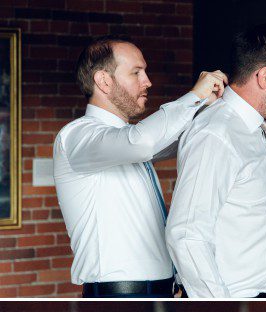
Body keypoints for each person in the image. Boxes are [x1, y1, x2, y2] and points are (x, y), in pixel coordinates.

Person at [53, 35, 227, 298]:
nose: (147, 82)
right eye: (136, 73)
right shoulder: (77, 136)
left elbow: (181, 141)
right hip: (116, 298)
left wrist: (205, 107)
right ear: (104, 81)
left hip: (162, 293)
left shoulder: (126, 140)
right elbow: (143, 142)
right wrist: (195, 95)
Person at [165, 24, 266, 299]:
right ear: (265, 76)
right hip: (236, 297)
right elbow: (186, 235)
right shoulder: (217, 133)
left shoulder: (254, 128)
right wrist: (219, 304)